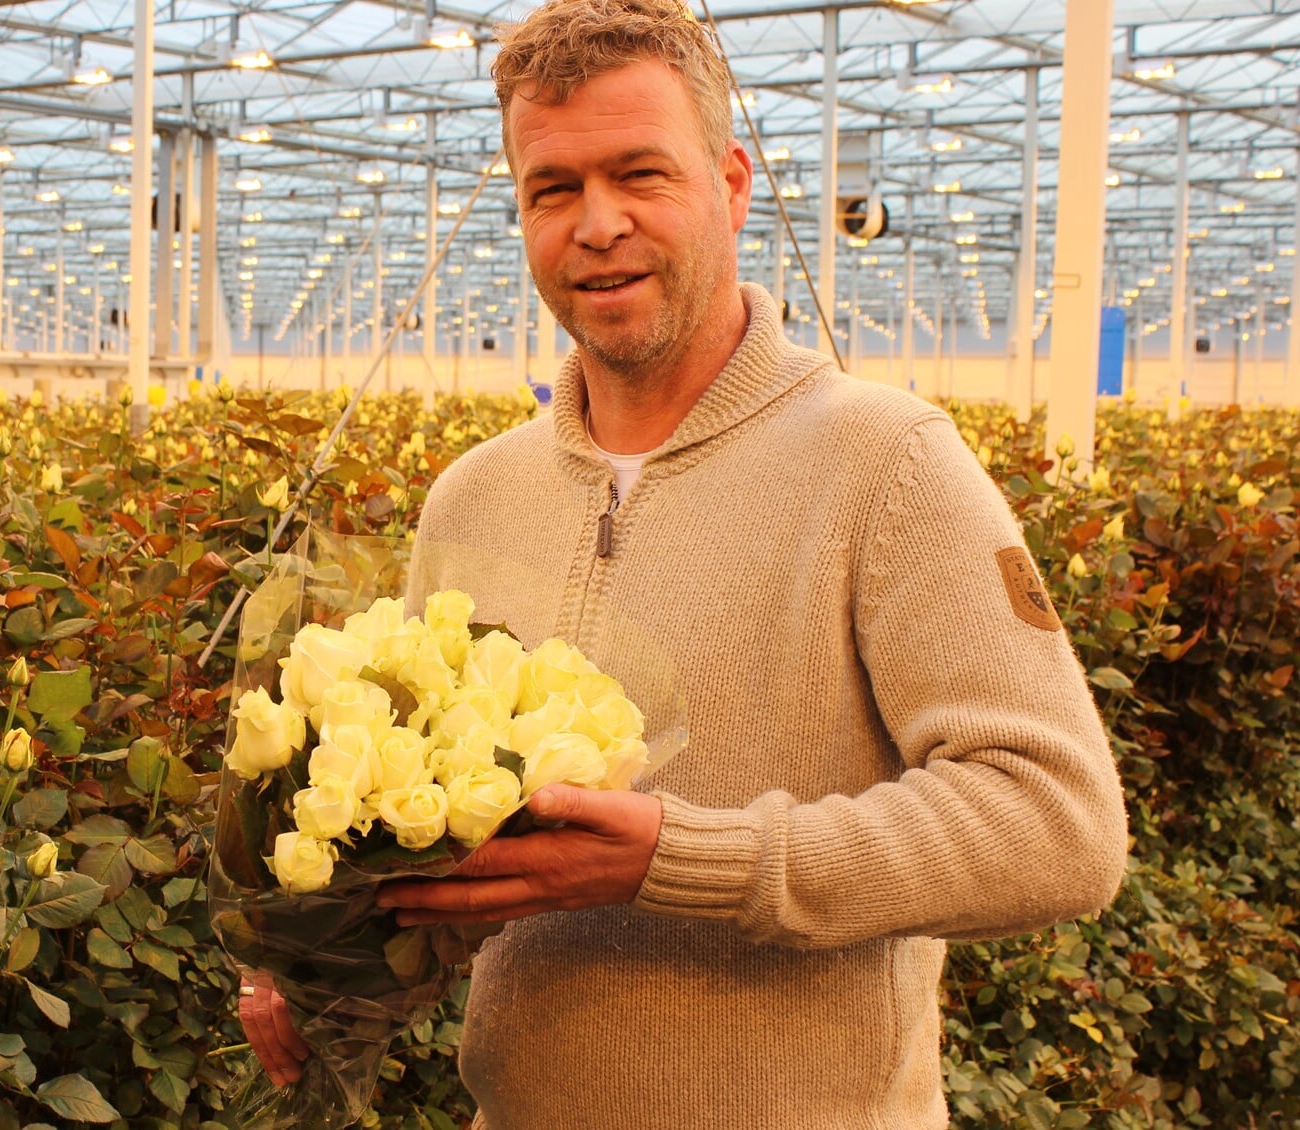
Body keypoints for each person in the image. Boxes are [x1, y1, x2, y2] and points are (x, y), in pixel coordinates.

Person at [237, 0, 1130, 1124]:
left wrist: (687, 857)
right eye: (552, 189)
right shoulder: (477, 493)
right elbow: (446, 855)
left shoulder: (887, 464)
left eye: (640, 174)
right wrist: (319, 949)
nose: (596, 224)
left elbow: (1057, 824)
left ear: (733, 182)